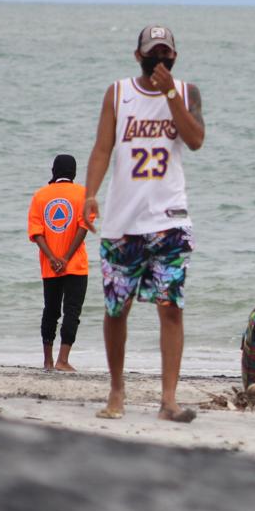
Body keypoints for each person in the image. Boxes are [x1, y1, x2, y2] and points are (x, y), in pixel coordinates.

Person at [83, 25, 203, 422]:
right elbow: (103, 147)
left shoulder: (186, 93)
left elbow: (195, 139)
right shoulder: (118, 93)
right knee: (117, 309)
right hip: (123, 221)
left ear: (175, 57)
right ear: (138, 56)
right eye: (153, 53)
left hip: (170, 218)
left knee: (171, 307)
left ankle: (169, 399)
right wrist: (89, 194)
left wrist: (170, 93)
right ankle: (117, 391)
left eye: (166, 53)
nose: (160, 60)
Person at [28, 154, 90, 371]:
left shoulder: (40, 196)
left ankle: (47, 361)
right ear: (73, 172)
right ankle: (63, 360)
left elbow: (37, 233)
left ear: (54, 170)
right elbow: (84, 227)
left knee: (51, 311)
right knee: (72, 311)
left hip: (50, 266)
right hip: (76, 265)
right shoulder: (83, 194)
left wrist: (53, 258)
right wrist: (66, 258)